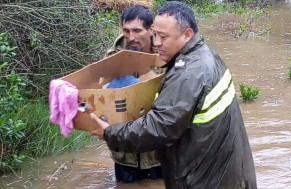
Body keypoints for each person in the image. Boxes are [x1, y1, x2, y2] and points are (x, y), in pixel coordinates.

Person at [91, 1, 257, 188]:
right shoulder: (208, 55)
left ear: (187, 35)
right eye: (156, 35)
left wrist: (109, 133)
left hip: (204, 178)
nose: (157, 42)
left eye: (163, 37)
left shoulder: (187, 74)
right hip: (224, 172)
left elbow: (159, 127)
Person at [104, 4, 162, 183]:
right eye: (126, 30)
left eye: (137, 30)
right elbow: (103, 98)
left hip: (158, 154)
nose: (131, 37)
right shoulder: (113, 58)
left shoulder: (164, 57)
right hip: (124, 153)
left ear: (151, 29)